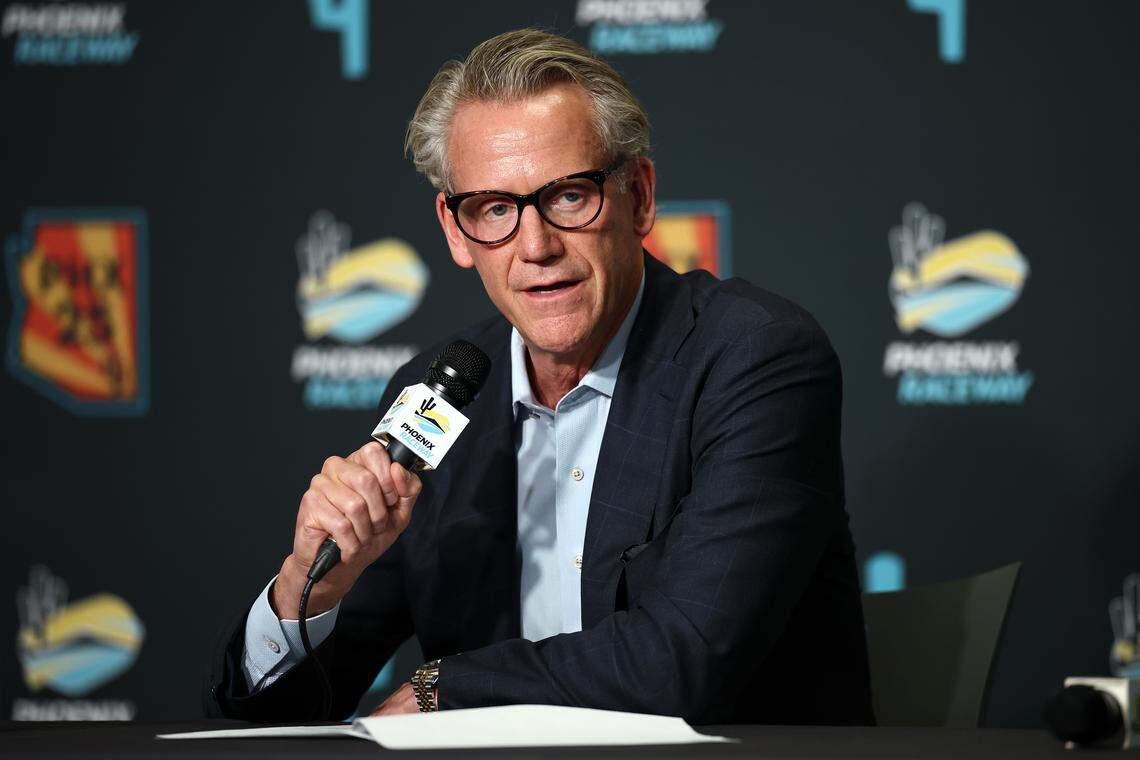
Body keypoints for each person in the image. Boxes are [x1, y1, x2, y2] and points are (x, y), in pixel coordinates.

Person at [206, 28, 874, 725]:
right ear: (455, 232)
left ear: (639, 196)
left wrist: (447, 689)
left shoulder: (753, 357)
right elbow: (275, 721)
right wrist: (305, 592)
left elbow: (688, 658)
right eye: (494, 209)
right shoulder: (435, 394)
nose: (536, 247)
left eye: (569, 196)